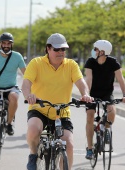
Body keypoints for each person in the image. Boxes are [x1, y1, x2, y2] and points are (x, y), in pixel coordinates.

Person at [22, 33, 93, 170]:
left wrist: (85, 94)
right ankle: (33, 154)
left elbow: (81, 82)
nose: (61, 52)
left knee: (69, 145)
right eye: (57, 49)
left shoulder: (71, 65)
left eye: (63, 49)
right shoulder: (36, 63)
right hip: (39, 108)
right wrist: (28, 95)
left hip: (61, 112)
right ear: (48, 49)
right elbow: (26, 84)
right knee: (33, 130)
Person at [84, 40, 125, 159]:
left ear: (102, 52)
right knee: (90, 116)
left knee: (111, 113)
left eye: (95, 49)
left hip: (107, 93)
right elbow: (88, 79)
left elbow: (120, 79)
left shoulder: (112, 62)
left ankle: (104, 127)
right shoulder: (90, 62)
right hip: (92, 94)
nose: (93, 51)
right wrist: (86, 95)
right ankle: (89, 149)